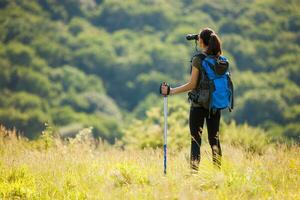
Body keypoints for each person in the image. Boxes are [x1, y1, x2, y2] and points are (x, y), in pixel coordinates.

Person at [160, 27, 223, 170]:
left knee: (195, 140)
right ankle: (218, 173)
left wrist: (171, 91)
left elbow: (192, 84)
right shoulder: (219, 59)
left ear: (200, 41)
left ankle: (194, 173)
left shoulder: (198, 59)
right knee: (215, 140)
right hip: (215, 104)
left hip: (199, 105)